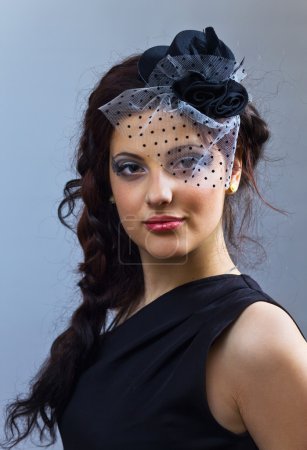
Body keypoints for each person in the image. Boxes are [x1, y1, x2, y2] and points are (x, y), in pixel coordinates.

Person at [2, 27, 307, 450]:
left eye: (187, 161)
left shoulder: (258, 342)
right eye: (131, 167)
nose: (159, 193)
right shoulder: (129, 310)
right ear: (107, 183)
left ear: (233, 169)